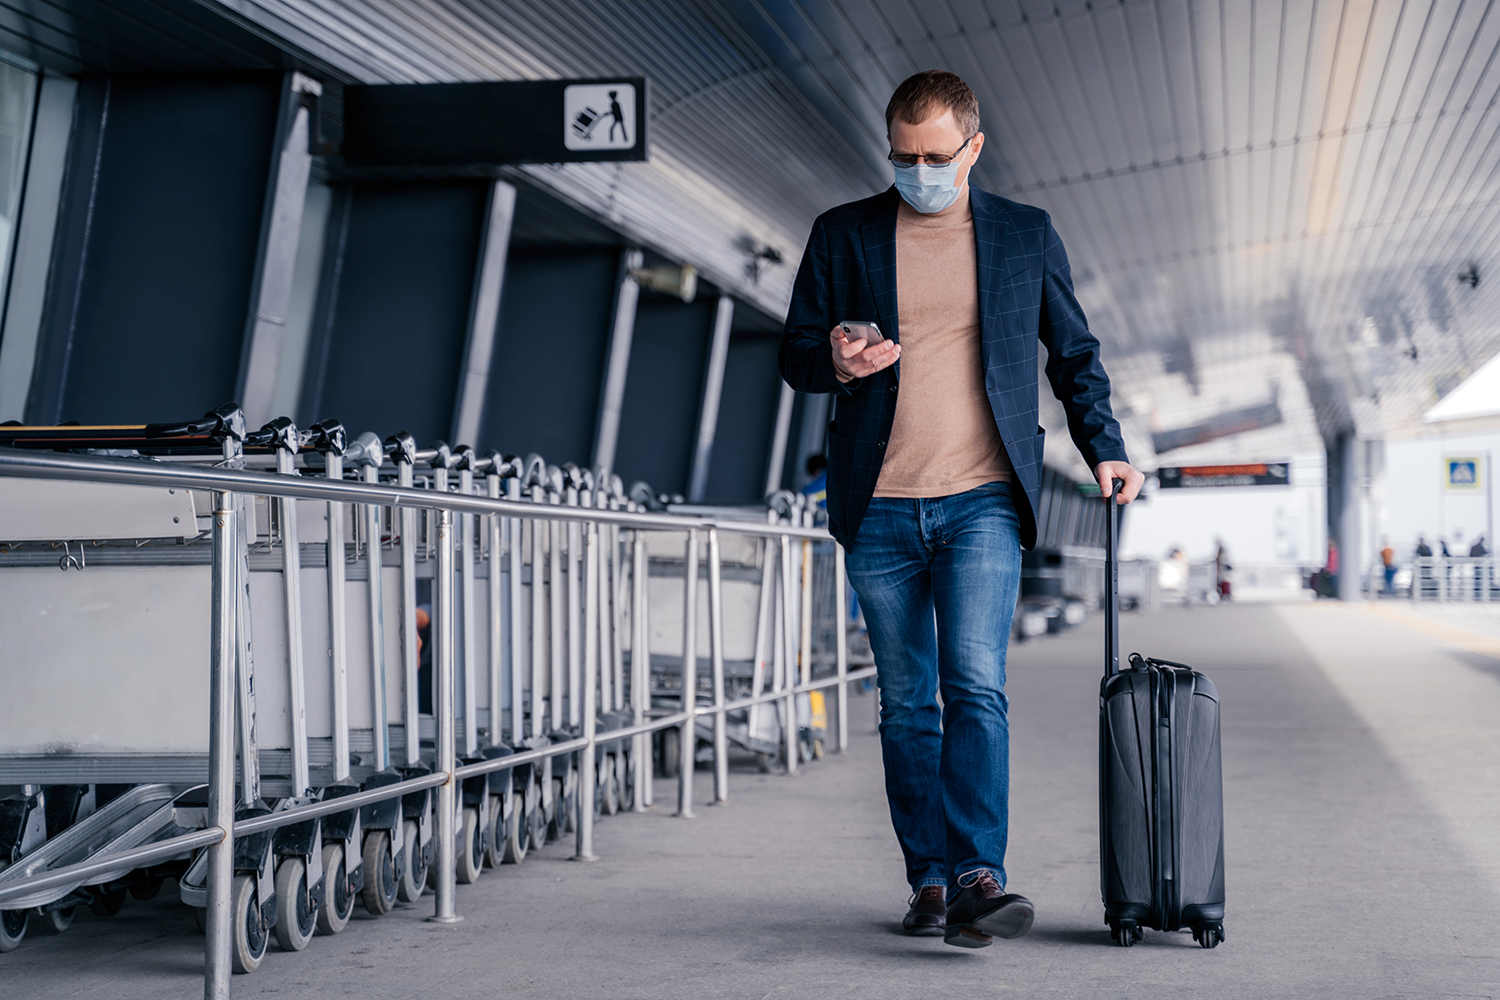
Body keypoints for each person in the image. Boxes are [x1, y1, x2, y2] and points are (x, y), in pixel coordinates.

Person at [778, 69, 1143, 949]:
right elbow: (795, 353)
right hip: (879, 507)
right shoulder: (844, 233)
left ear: (974, 148)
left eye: (935, 156)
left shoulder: (1024, 235)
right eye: (902, 156)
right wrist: (840, 363)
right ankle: (930, 882)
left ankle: (980, 874)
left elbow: (1074, 353)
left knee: (975, 684)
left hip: (982, 496)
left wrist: (1106, 447)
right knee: (907, 704)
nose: (918, 170)